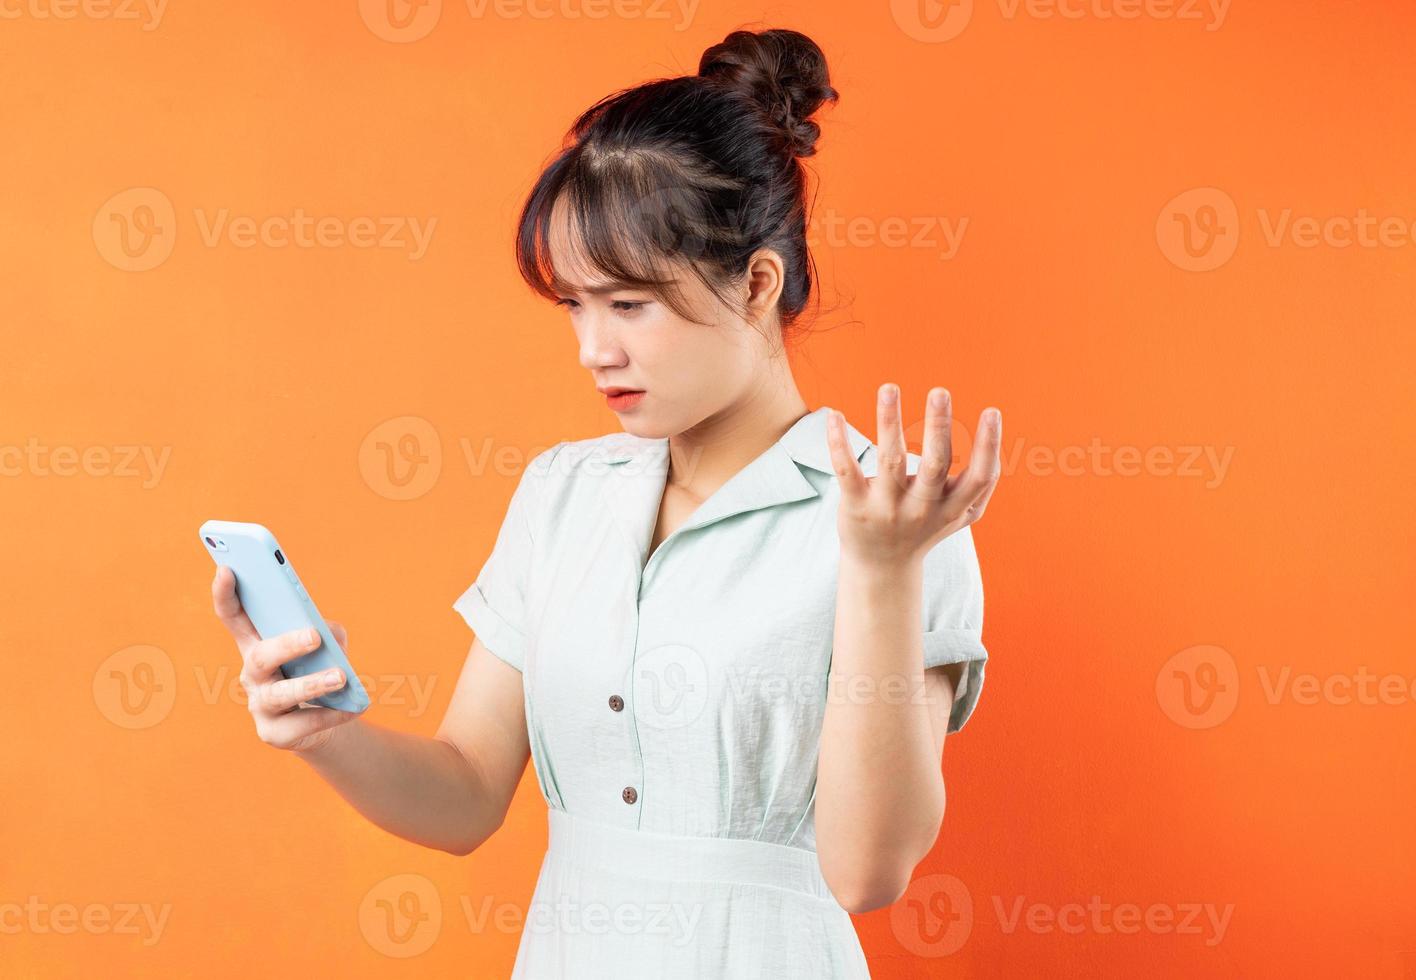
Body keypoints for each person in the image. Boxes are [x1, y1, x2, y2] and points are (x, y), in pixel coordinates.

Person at [210, 26, 1001, 978]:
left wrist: (881, 572)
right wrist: (324, 732)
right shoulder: (562, 493)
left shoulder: (897, 520)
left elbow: (867, 870)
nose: (594, 349)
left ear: (757, 284)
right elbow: (463, 798)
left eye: (629, 305)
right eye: (576, 306)